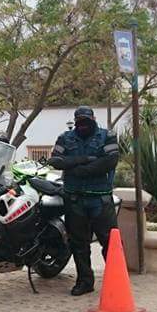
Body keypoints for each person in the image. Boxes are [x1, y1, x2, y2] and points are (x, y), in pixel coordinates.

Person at [48, 106, 119, 296]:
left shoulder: (108, 136)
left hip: (100, 199)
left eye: (87, 120)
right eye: (80, 121)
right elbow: (55, 161)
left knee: (110, 244)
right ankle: (85, 281)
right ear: (76, 120)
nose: (83, 124)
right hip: (74, 199)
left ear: (94, 119)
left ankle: (118, 282)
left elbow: (110, 161)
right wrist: (85, 159)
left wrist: (77, 168)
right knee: (79, 244)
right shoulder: (65, 138)